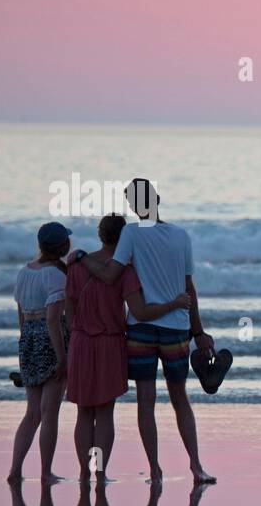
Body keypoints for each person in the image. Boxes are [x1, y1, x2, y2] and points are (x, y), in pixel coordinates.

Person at [74, 179, 215, 483]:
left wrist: (83, 258)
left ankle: (155, 469)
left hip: (142, 330)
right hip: (177, 328)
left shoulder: (131, 233)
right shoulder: (181, 235)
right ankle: (196, 466)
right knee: (180, 399)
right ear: (158, 199)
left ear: (133, 207)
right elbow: (189, 286)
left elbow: (112, 274)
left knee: (146, 402)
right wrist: (199, 332)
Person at [65, 214, 191, 483]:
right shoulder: (126, 271)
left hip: (81, 342)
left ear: (100, 235)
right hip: (110, 342)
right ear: (123, 238)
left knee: (84, 412)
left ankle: (83, 472)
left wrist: (73, 339)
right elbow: (140, 312)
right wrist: (175, 303)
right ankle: (100, 473)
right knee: (105, 412)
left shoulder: (76, 267)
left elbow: (69, 308)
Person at [8, 222, 71, 483]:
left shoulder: (25, 272)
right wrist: (62, 357)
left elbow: (22, 315)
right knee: (49, 412)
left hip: (29, 339)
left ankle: (15, 470)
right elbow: (53, 320)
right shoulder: (55, 275)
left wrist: (25, 344)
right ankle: (46, 472)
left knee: (32, 412)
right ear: (63, 246)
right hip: (49, 339)